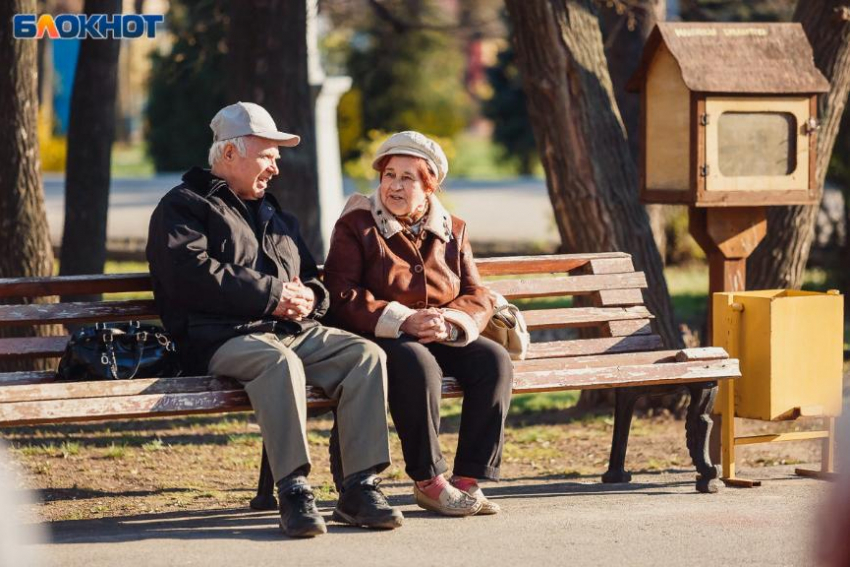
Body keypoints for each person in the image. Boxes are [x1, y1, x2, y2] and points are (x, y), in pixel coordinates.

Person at [146, 102, 403, 538]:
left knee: (365, 356)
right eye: (267, 156)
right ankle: (295, 489)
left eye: (277, 159)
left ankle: (359, 487)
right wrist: (273, 296)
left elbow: (308, 277)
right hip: (219, 337)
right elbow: (189, 276)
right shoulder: (184, 206)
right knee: (279, 364)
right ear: (229, 154)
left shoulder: (273, 212)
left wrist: (310, 298)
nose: (275, 168)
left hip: (290, 331)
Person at [323, 131, 513, 516]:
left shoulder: (453, 229)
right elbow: (340, 294)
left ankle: (466, 480)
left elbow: (478, 294)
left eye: (407, 177)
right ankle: (429, 481)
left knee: (494, 360)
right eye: (389, 175)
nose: (394, 185)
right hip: (379, 334)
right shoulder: (356, 225)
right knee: (418, 364)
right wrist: (404, 319)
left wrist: (450, 322)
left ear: (430, 185)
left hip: (439, 330)